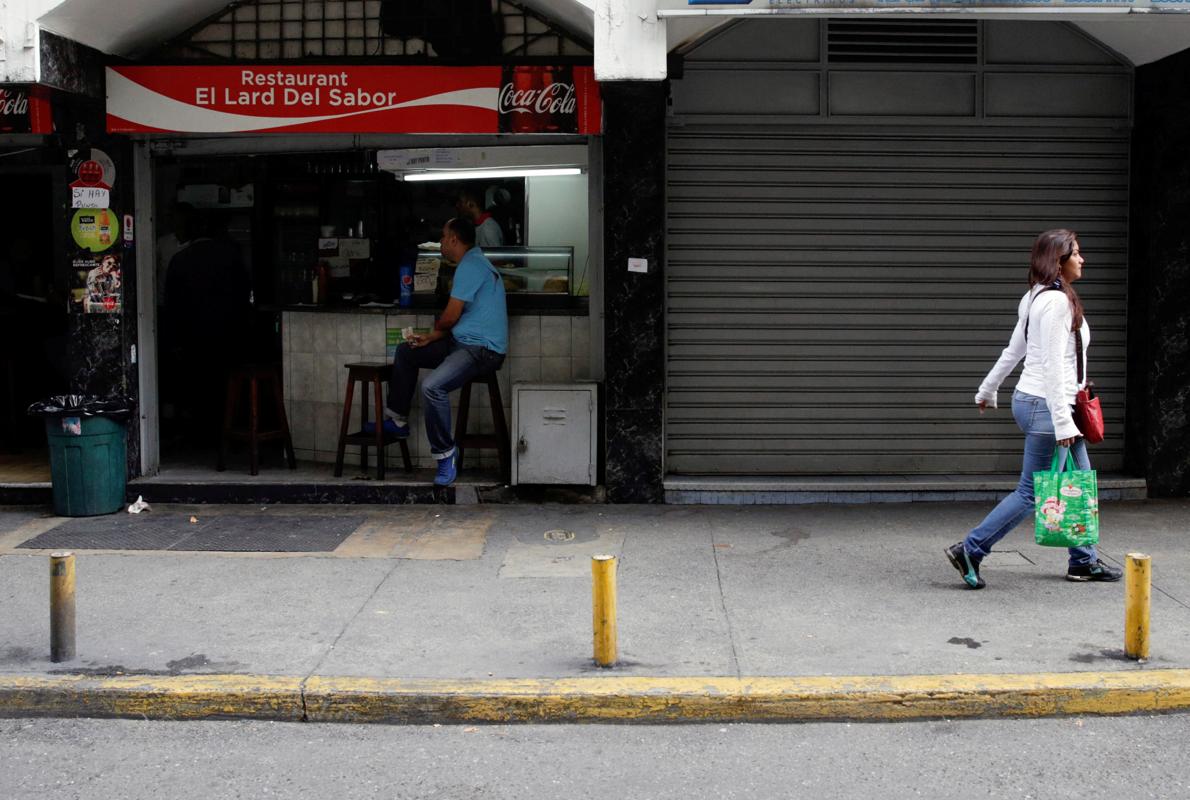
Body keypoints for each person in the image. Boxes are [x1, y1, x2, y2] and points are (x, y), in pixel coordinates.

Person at [946, 229, 1122, 589]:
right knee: (1031, 492)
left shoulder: (1035, 297)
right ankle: (971, 548)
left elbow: (1015, 350)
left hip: (1034, 401)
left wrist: (988, 389)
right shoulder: (1056, 304)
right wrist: (1062, 423)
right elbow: (1056, 367)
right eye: (1077, 253)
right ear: (1059, 260)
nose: (1082, 260)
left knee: (1077, 484)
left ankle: (1083, 561)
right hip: (1049, 407)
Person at [376, 217, 507, 486]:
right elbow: (455, 320)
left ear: (454, 240)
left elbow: (450, 316)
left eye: (443, 237)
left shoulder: (470, 265)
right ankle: (397, 420)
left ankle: (446, 456)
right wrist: (431, 338)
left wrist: (435, 333)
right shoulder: (473, 261)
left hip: (482, 349)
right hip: (461, 342)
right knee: (407, 351)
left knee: (432, 387)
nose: (440, 242)